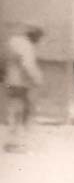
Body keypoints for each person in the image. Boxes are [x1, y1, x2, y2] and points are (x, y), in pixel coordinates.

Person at [3, 22, 43, 153]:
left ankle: (11, 141)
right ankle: (15, 143)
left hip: (10, 81)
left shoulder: (14, 42)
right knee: (22, 112)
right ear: (34, 36)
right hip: (20, 83)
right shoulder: (26, 46)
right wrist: (37, 79)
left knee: (14, 110)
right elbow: (28, 65)